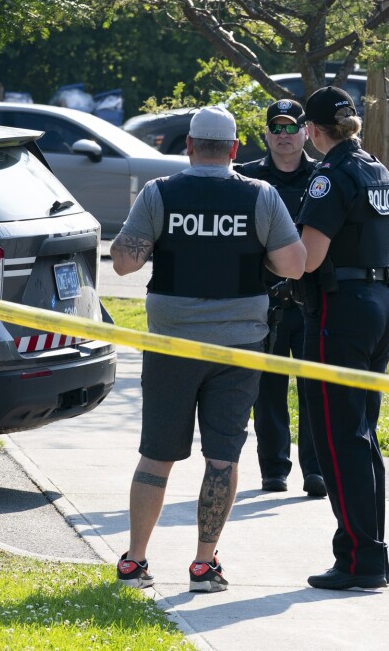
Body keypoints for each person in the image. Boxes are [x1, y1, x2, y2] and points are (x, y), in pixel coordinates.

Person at [109, 106, 306, 593]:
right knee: (223, 456)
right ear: (236, 150)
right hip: (238, 348)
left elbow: (123, 264)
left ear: (189, 147)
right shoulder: (260, 195)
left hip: (171, 346)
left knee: (157, 455)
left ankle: (135, 562)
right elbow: (295, 265)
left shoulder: (160, 193)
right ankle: (203, 565)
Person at [294, 85, 389, 591]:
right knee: (361, 435)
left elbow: (308, 259)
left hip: (343, 311)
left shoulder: (329, 177)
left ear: (312, 131)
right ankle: (367, 551)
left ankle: (361, 560)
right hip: (381, 304)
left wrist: (269, 260)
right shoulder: (374, 167)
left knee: (338, 440)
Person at [235, 98, 327, 498]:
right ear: (266, 134)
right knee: (267, 392)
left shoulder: (325, 176)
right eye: (277, 128)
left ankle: (316, 471)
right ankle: (274, 470)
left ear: (307, 132)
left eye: (293, 128)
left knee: (313, 390)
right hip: (266, 301)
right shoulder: (246, 179)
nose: (285, 135)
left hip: (312, 301)